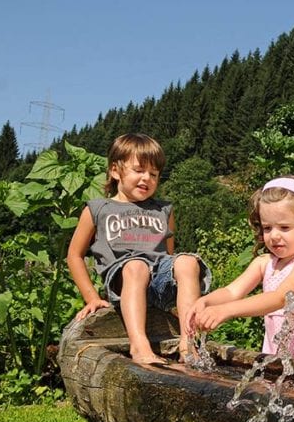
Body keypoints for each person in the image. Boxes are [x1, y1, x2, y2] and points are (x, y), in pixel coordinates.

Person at [66, 133, 211, 364]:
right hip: (124, 281)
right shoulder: (98, 208)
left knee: (187, 262)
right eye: (139, 170)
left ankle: (188, 342)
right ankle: (139, 345)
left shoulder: (164, 210)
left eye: (153, 174)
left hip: (158, 281)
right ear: (115, 171)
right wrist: (91, 297)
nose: (146, 178)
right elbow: (74, 255)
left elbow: (169, 254)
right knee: (136, 266)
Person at [182, 176, 294, 362]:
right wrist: (206, 302)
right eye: (267, 228)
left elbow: (279, 298)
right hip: (276, 357)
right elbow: (232, 291)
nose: (274, 236)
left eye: (284, 227)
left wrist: (225, 311)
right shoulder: (264, 263)